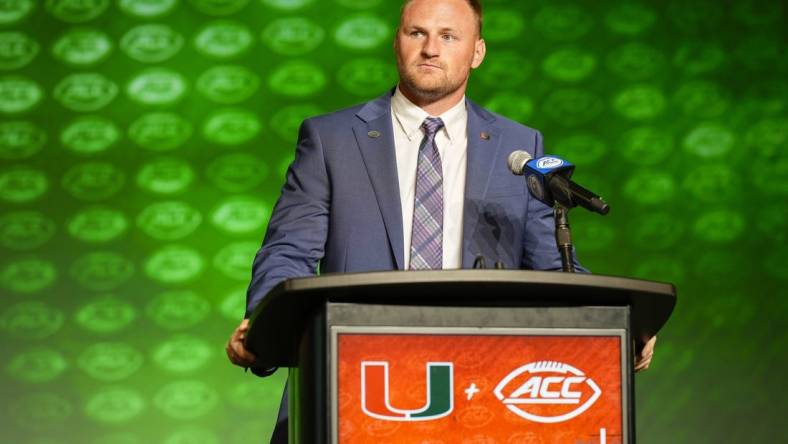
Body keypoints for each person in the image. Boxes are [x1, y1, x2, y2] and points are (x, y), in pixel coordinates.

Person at [226, 0, 656, 441]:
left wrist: (618, 323)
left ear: (477, 52)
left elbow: (553, 266)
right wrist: (264, 326)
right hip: (353, 384)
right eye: (417, 33)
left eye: (448, 36)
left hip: (481, 394)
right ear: (397, 43)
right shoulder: (332, 139)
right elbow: (288, 251)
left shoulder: (519, 146)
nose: (431, 48)